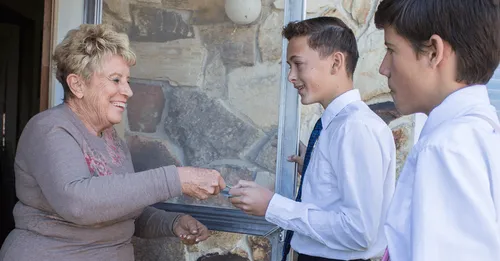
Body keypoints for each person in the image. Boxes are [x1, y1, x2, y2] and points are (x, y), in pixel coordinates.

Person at [0, 24, 226, 261]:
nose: (127, 91)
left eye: (127, 81)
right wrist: (176, 179)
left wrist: (172, 222)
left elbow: (121, 210)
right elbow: (79, 203)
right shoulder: (49, 129)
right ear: (77, 84)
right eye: (116, 79)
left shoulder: (111, 139)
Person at [229, 17, 396, 261]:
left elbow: (359, 232)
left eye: (298, 64)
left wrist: (273, 206)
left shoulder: (356, 128)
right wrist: (316, 168)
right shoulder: (337, 125)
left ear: (336, 62)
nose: (291, 77)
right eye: (289, 67)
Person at [374, 0, 500, 260]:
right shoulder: (480, 133)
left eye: (391, 50)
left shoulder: (445, 149)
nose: (383, 68)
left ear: (433, 52)